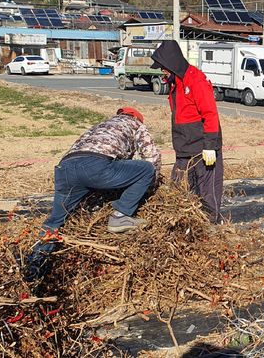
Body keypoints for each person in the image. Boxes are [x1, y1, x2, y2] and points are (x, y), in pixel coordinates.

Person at [24, 107, 161, 281]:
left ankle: (34, 266)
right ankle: (120, 216)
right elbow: (152, 157)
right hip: (95, 167)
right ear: (137, 118)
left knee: (55, 222)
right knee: (145, 169)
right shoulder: (135, 125)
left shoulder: (102, 125)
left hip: (65, 169)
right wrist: (150, 187)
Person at [150, 40, 223, 223]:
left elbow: (210, 114)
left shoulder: (196, 80)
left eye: (163, 67)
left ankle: (211, 225)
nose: (162, 71)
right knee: (180, 187)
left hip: (202, 147)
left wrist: (210, 146)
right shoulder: (175, 83)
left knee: (207, 191)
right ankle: (187, 223)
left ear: (171, 63)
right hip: (184, 148)